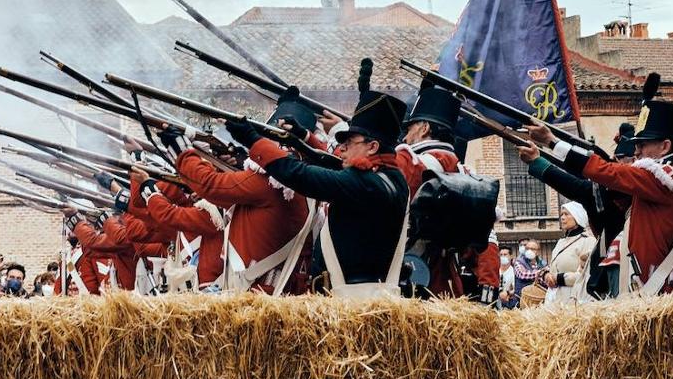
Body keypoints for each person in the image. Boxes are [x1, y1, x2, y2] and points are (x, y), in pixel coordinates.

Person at [225, 60, 410, 297]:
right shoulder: (390, 178)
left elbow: (300, 175)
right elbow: (329, 161)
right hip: (360, 296)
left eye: (348, 143)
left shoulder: (366, 183)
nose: (341, 148)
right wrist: (300, 138)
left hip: (350, 302)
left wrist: (253, 140)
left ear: (372, 147)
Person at [529, 74, 673, 296]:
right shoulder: (663, 177)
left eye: (643, 145)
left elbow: (607, 173)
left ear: (665, 147)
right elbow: (599, 182)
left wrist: (552, 142)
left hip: (645, 282)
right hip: (637, 278)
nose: (637, 152)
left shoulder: (666, 176)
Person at [159, 88, 316, 294]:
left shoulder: (270, 181)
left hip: (257, 291)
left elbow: (212, 185)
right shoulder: (308, 178)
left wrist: (183, 152)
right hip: (275, 289)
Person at [394, 83, 499, 301]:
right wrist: (488, 286)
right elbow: (485, 241)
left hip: (404, 279)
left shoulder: (407, 162)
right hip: (447, 287)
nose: (405, 137)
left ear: (424, 128)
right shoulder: (467, 174)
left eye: (410, 128)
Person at [519, 123, 636, 301]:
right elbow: (584, 179)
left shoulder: (634, 185)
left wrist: (546, 148)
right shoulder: (608, 188)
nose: (614, 164)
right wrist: (539, 159)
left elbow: (581, 185)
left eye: (620, 159)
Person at [542, 203, 596, 304]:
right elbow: (553, 267)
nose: (562, 218)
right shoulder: (561, 242)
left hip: (575, 299)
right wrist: (547, 275)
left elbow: (585, 275)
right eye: (561, 214)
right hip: (554, 299)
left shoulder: (588, 241)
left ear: (577, 216)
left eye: (566, 214)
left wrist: (559, 278)